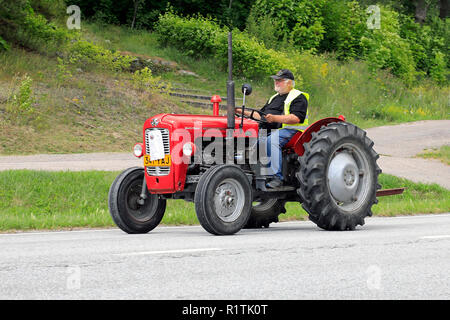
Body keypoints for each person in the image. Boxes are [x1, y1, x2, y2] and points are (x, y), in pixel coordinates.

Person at [236, 69, 309, 188]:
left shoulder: (298, 96)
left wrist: (274, 118)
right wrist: (241, 111)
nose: (276, 82)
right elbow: (260, 115)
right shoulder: (274, 98)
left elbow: (296, 118)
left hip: (292, 130)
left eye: (279, 80)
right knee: (254, 143)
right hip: (271, 131)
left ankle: (277, 177)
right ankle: (255, 175)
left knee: (271, 141)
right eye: (275, 80)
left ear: (289, 83)